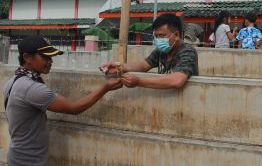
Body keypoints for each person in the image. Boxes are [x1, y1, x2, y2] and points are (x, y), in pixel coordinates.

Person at [2, 36, 123, 166]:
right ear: (27, 58)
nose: (50, 61)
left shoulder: (14, 81)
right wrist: (105, 87)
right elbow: (74, 108)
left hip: (18, 158)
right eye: (45, 57)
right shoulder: (32, 88)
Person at [100, 13, 199, 89]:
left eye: (162, 36)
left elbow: (177, 80)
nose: (158, 40)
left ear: (176, 35)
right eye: (156, 36)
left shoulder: (187, 52)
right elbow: (144, 65)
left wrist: (139, 82)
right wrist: (119, 67)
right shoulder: (161, 51)